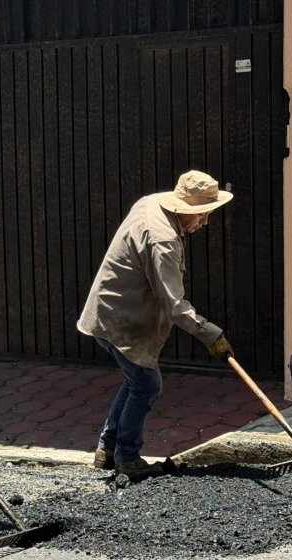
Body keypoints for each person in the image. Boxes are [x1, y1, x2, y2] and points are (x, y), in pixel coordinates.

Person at [77, 170, 235, 481]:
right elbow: (175, 305)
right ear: (182, 209)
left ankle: (106, 449)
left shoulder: (151, 204)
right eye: (202, 215)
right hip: (119, 320)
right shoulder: (162, 240)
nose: (204, 223)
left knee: (137, 381)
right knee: (148, 384)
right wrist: (211, 334)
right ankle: (127, 457)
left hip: (115, 311)